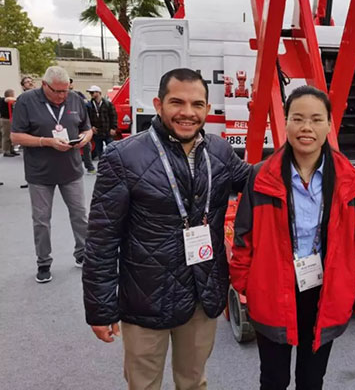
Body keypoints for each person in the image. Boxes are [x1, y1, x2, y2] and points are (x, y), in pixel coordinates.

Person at [83, 68, 250, 390]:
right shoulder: (124, 157)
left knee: (194, 382)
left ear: (207, 108)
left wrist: (304, 154)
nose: (188, 112)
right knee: (144, 384)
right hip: (145, 299)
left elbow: (260, 181)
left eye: (197, 104)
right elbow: (101, 239)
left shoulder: (219, 152)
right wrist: (101, 309)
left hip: (202, 293)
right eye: (177, 102)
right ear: (159, 105)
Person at [230, 85, 355, 390]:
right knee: (274, 379)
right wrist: (248, 285)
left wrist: (352, 280)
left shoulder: (346, 178)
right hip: (272, 289)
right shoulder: (261, 176)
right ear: (286, 122)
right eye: (298, 118)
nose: (307, 127)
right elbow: (243, 237)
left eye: (316, 119)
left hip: (325, 289)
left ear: (329, 125)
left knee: (311, 379)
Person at [10, 66, 93, 283]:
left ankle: (83, 253)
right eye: (57, 91)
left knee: (80, 215)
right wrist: (46, 141)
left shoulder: (75, 99)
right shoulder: (26, 101)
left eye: (66, 90)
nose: (62, 96)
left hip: (71, 170)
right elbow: (16, 137)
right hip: (40, 173)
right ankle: (44, 262)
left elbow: (87, 128)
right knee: (41, 221)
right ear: (44, 85)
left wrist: (85, 138)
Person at [69, 79, 95, 174]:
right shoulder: (58, 96)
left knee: (86, 145)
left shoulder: (77, 95)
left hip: (80, 124)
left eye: (70, 83)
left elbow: (86, 105)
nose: (69, 84)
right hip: (68, 125)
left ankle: (89, 166)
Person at [86, 84, 117, 159]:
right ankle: (102, 164)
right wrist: (91, 127)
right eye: (90, 93)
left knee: (111, 151)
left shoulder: (108, 104)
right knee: (99, 152)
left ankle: (111, 163)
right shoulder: (89, 105)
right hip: (97, 132)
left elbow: (113, 116)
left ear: (98, 92)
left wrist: (113, 128)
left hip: (107, 131)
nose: (91, 94)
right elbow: (87, 118)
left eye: (92, 92)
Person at [0, 89, 19, 157]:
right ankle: (6, 151)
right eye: (13, 93)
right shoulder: (3, 100)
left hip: (10, 119)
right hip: (6, 120)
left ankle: (11, 149)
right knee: (6, 136)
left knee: (11, 135)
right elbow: (8, 99)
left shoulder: (11, 101)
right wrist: (19, 99)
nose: (14, 95)